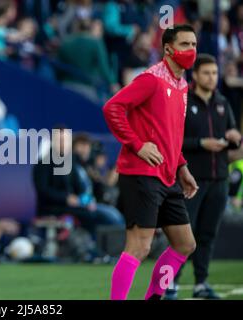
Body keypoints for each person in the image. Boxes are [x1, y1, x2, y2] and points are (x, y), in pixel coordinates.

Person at [103, 24, 199, 300]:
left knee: (184, 244)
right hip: (140, 173)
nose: (190, 50)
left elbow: (170, 135)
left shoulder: (182, 85)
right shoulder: (151, 79)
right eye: (184, 45)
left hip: (167, 176)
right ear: (168, 49)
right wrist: (137, 144)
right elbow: (112, 108)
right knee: (139, 248)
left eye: (193, 45)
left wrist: (182, 166)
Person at [165, 54, 242, 300]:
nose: (212, 77)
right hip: (190, 180)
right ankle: (170, 284)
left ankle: (201, 283)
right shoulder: (183, 102)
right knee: (182, 235)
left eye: (215, 73)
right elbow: (172, 141)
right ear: (195, 75)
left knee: (208, 234)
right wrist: (200, 143)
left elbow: (233, 142)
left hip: (219, 179)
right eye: (207, 73)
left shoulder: (223, 103)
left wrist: (235, 138)